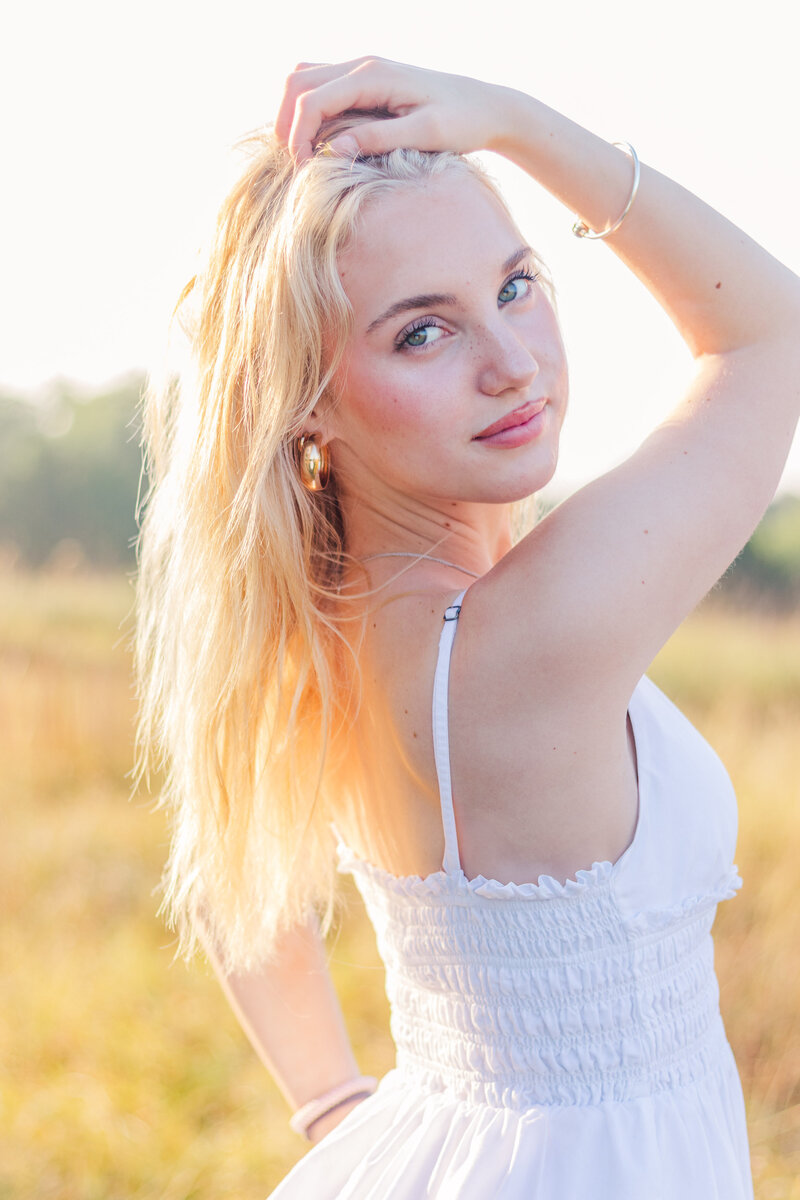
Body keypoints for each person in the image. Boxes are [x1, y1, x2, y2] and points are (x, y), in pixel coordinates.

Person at [133, 56, 800, 1198]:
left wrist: (333, 1104)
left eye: (514, 284)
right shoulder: (519, 638)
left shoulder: (310, 618)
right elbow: (768, 339)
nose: (511, 364)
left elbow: (231, 876)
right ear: (309, 406)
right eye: (419, 335)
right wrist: (517, 124)